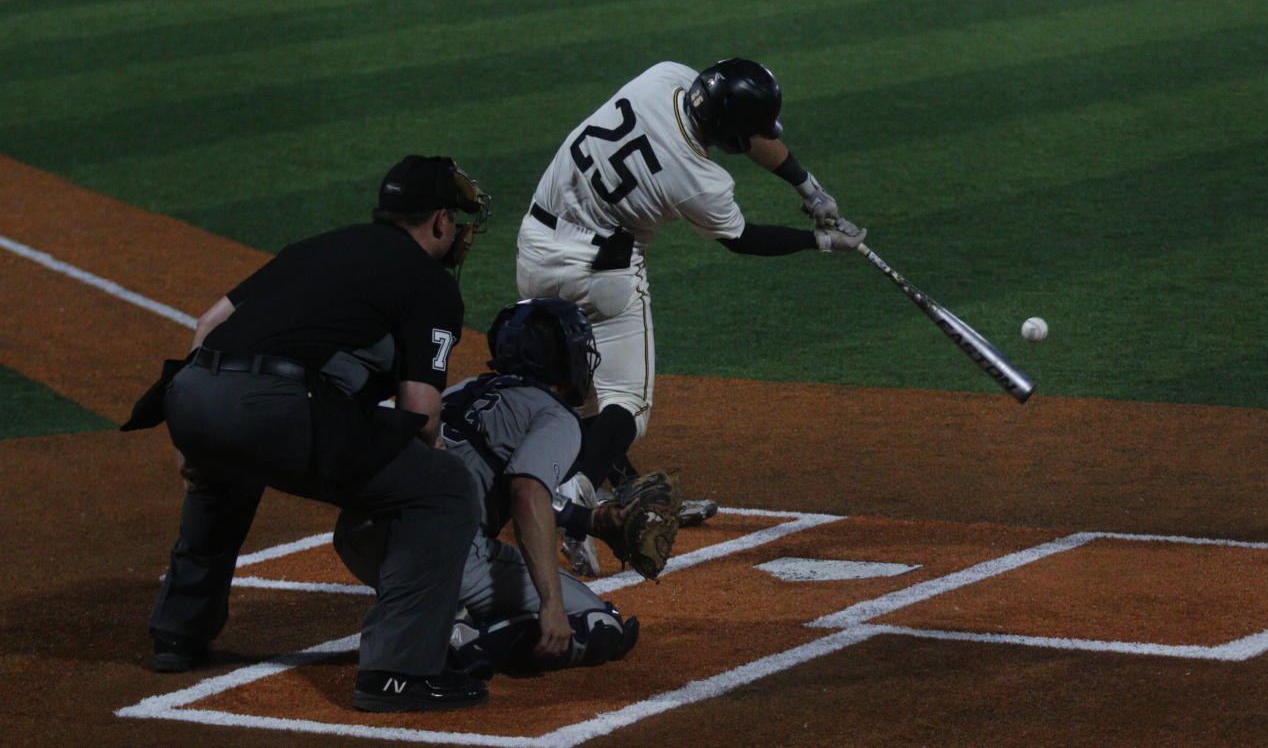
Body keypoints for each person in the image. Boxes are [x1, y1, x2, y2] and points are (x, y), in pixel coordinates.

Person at [134, 155, 494, 713]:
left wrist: (193, 441)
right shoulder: (429, 282)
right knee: (443, 488)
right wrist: (425, 457)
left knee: (227, 467)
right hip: (271, 408)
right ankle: (397, 674)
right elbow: (421, 415)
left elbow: (208, 326)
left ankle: (178, 634)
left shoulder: (318, 245)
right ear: (441, 221)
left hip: (190, 393)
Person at [515, 58, 865, 575]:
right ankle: (575, 500)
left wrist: (806, 185)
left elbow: (743, 131)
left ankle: (628, 493)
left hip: (535, 248)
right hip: (601, 274)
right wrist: (820, 239)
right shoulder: (700, 180)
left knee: (585, 398)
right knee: (626, 404)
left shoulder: (665, 78)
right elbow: (740, 240)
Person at [335, 297, 640, 678]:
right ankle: (459, 640)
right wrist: (550, 604)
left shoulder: (462, 390)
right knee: (600, 624)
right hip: (438, 550)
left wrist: (588, 519)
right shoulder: (554, 415)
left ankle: (439, 612)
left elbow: (491, 478)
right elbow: (527, 492)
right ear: (564, 359)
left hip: (358, 537)